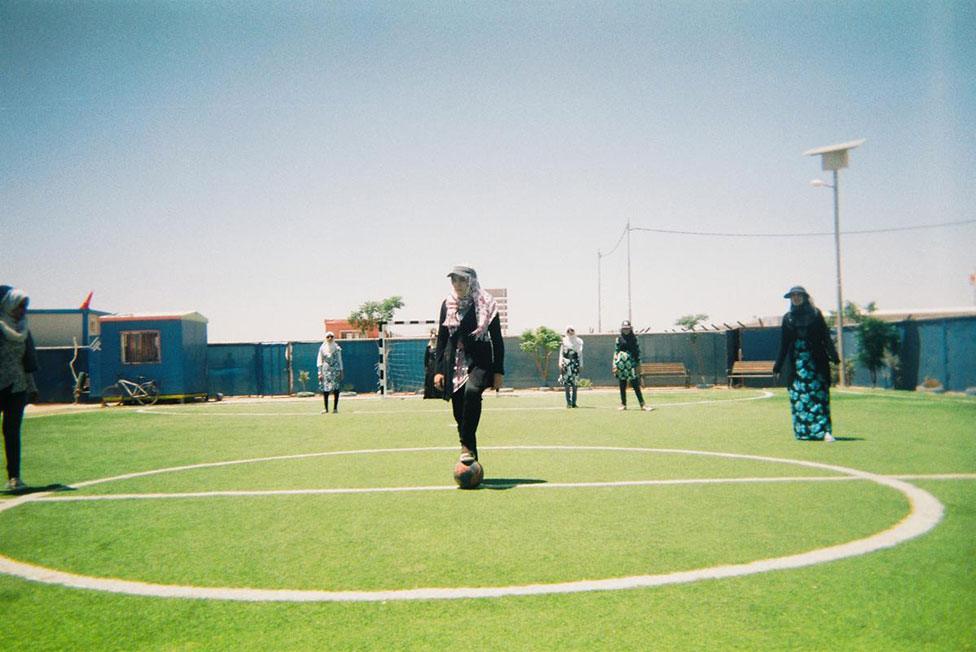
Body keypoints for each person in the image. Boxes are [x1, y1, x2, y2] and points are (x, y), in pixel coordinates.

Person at [433, 265, 504, 463]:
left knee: (472, 392)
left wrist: (498, 370)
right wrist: (438, 370)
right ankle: (470, 451)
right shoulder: (448, 304)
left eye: (462, 280)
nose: (457, 284)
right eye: (454, 280)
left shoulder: (487, 304)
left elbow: (497, 340)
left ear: (471, 281)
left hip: (480, 359)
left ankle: (464, 445)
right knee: (458, 409)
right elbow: (442, 338)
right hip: (453, 361)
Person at [773, 286, 839, 442]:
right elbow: (784, 344)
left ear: (804, 297)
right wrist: (777, 366)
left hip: (816, 363)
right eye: (793, 296)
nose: (795, 298)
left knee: (818, 396)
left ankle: (824, 432)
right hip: (797, 365)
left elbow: (825, 337)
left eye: (798, 295)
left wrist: (834, 356)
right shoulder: (788, 318)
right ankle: (804, 432)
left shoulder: (816, 315)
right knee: (799, 397)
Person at [0, 286, 38, 491]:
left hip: (17, 387)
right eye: (19, 306)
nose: (22, 311)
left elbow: (28, 361)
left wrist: (32, 386)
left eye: (25, 307)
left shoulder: (24, 330)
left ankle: (14, 477)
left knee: (12, 431)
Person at [613, 320, 652, 411]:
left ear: (630, 329)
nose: (626, 330)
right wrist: (614, 365)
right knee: (622, 384)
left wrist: (638, 365)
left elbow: (637, 353)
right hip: (621, 365)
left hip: (632, 364)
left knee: (635, 384)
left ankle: (642, 405)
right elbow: (616, 352)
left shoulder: (634, 339)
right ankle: (623, 404)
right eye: (624, 329)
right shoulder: (619, 339)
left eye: (627, 329)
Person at [317, 331, 344, 414]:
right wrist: (319, 373)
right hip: (326, 370)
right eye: (328, 337)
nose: (330, 338)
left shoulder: (337, 348)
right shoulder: (322, 348)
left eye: (331, 336)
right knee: (326, 389)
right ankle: (326, 408)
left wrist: (341, 370)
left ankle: (335, 408)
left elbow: (340, 360)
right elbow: (319, 360)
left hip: (335, 370)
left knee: (336, 388)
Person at [558, 326, 583, 408]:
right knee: (567, 385)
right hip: (566, 363)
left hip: (575, 364)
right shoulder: (564, 341)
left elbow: (580, 354)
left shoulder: (578, 341)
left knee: (575, 384)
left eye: (572, 330)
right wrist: (560, 363)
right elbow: (561, 353)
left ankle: (574, 403)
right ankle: (568, 403)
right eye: (568, 331)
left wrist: (581, 364)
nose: (570, 332)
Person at [423, 328, 442, 399]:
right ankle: (430, 395)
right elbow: (426, 358)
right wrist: (426, 367)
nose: (434, 338)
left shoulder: (440, 346)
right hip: (430, 367)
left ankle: (439, 394)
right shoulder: (428, 347)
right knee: (430, 381)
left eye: (435, 336)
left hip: (438, 366)